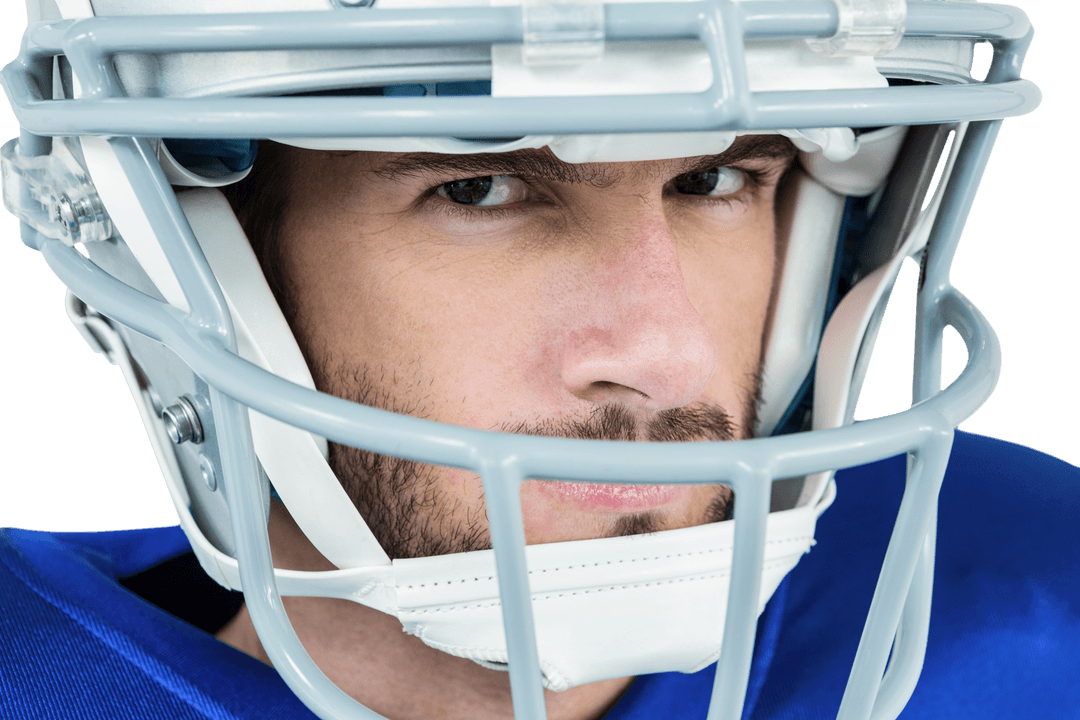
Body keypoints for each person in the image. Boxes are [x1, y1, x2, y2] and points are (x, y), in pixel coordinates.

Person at [0, 1, 1076, 719]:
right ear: (181, 262)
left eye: (713, 182)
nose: (662, 355)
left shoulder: (1027, 598)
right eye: (478, 190)